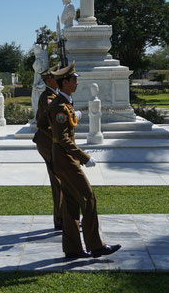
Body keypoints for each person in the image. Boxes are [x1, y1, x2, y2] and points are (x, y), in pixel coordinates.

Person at [48, 62, 121, 259]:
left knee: (71, 203)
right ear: (64, 83)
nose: (77, 82)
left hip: (64, 157)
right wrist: (84, 157)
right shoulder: (59, 106)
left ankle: (73, 249)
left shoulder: (64, 103)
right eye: (74, 80)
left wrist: (74, 114)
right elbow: (62, 138)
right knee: (88, 198)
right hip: (66, 159)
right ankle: (96, 246)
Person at [32, 65, 66, 230]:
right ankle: (60, 219)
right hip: (48, 143)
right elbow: (42, 123)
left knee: (59, 181)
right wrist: (58, 138)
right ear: (49, 80)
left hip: (50, 143)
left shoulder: (54, 95)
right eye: (56, 77)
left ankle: (62, 218)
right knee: (58, 182)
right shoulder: (48, 98)